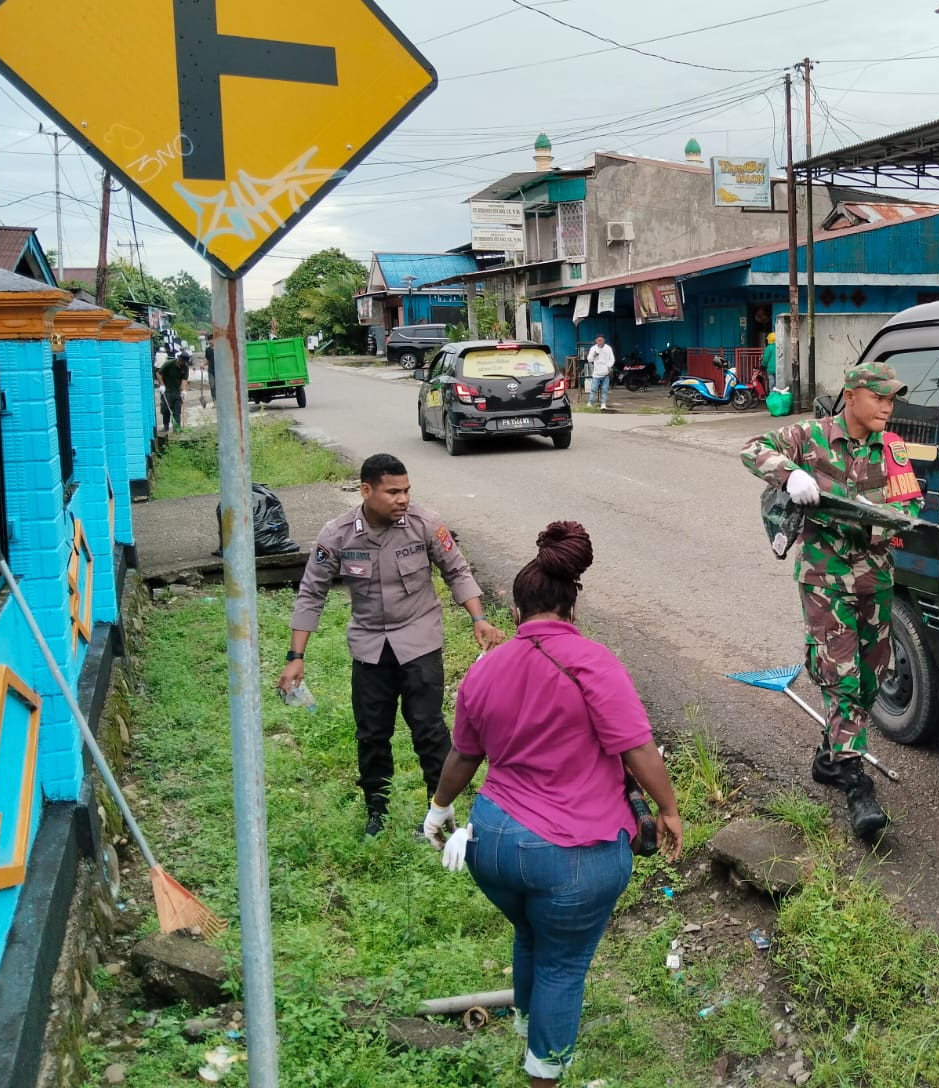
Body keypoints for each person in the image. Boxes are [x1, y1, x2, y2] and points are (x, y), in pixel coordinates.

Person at [423, 521, 682, 1086]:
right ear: (572, 609)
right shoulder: (593, 662)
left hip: (492, 845)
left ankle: (526, 1026)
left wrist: (439, 809)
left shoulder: (486, 668)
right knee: (563, 964)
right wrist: (668, 809)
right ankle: (544, 1073)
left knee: (530, 932)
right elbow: (636, 748)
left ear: (516, 612)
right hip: (573, 855)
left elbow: (463, 755)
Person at [279, 453, 507, 837]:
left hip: (419, 641)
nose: (402, 499)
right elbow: (311, 593)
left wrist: (478, 618)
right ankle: (377, 812)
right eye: (393, 492)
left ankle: (439, 811)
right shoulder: (337, 535)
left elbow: (456, 570)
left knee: (428, 728)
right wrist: (295, 656)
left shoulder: (425, 524)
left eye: (406, 490)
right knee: (371, 733)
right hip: (369, 648)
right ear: (366, 491)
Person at [741, 362, 922, 840]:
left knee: (872, 674)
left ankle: (829, 754)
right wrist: (789, 475)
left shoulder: (892, 448)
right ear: (852, 395)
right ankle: (855, 779)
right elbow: (752, 448)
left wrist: (879, 518)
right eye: (879, 397)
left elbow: (910, 507)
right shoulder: (810, 436)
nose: (887, 406)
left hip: (875, 578)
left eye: (892, 399)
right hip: (825, 577)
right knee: (842, 675)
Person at [158, 352, 190, 432]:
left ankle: (177, 429)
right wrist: (162, 385)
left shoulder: (185, 367)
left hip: (177, 392)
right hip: (167, 391)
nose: (182, 363)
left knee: (177, 411)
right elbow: (159, 374)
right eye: (182, 361)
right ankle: (165, 427)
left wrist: (184, 390)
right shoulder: (169, 364)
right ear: (179, 359)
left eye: (184, 362)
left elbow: (184, 379)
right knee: (166, 410)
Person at [585, 335, 615, 410]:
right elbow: (589, 359)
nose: (600, 342)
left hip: (605, 373)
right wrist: (594, 355)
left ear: (604, 340)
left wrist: (609, 366)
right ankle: (590, 403)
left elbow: (612, 359)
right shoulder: (593, 348)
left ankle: (603, 404)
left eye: (601, 340)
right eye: (598, 340)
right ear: (596, 341)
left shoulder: (608, 348)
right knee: (593, 389)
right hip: (596, 373)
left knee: (605, 390)